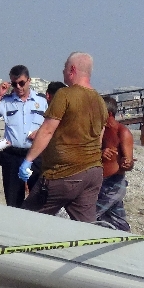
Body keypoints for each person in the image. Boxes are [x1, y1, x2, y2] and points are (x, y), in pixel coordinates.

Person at [18, 52, 107, 222]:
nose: (63, 71)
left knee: (28, 217)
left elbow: (47, 131)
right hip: (93, 172)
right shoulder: (100, 101)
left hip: (64, 172)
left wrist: (28, 159)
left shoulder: (64, 94)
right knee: (86, 224)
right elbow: (99, 139)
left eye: (65, 67)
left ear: (72, 69)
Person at [0, 65, 48, 208]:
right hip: (12, 156)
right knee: (13, 200)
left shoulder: (42, 101)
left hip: (36, 155)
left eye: (21, 83)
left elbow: (51, 125)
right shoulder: (6, 101)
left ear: (29, 81)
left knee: (39, 199)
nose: (18, 87)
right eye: (14, 83)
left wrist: (40, 131)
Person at [96, 96, 134, 230]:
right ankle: (126, 237)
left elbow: (129, 164)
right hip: (99, 181)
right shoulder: (98, 130)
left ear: (109, 114)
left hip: (114, 183)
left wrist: (127, 163)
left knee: (90, 215)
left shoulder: (122, 132)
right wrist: (100, 153)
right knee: (117, 220)